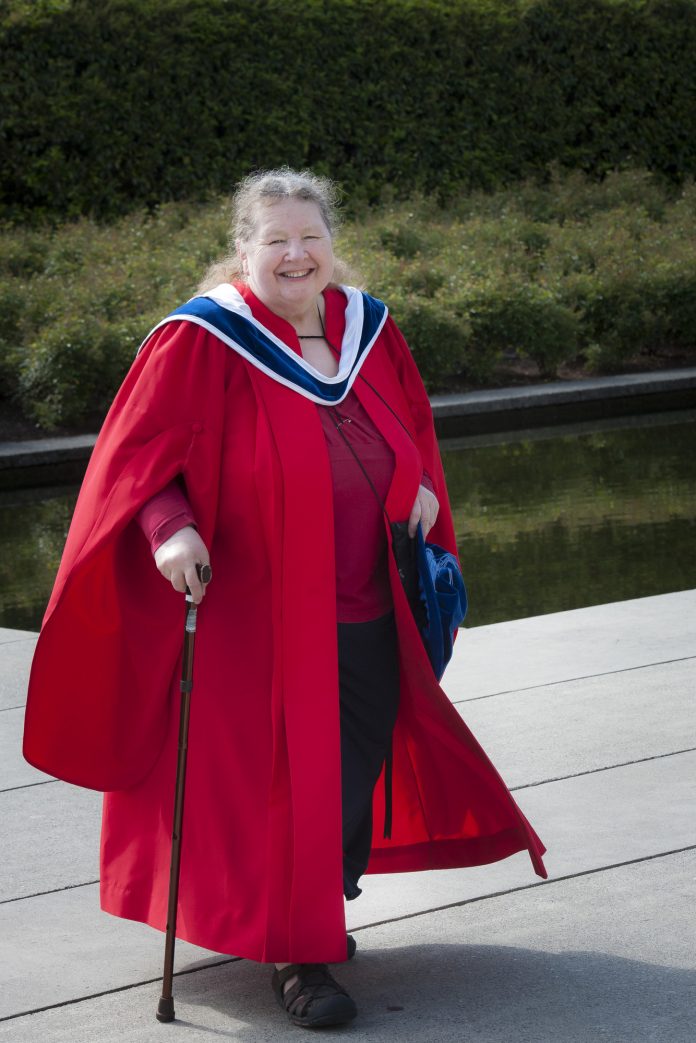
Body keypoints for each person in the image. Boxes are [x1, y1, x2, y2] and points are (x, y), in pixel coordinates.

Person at [23, 168, 546, 1029]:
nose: (296, 254)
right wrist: (170, 530)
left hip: (369, 600)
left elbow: (409, 426)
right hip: (257, 616)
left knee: (354, 763)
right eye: (276, 240)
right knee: (285, 783)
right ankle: (297, 952)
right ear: (244, 251)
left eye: (310, 237)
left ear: (332, 243)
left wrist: (414, 483)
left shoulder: (369, 329)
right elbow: (138, 461)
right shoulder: (203, 340)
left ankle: (313, 904)